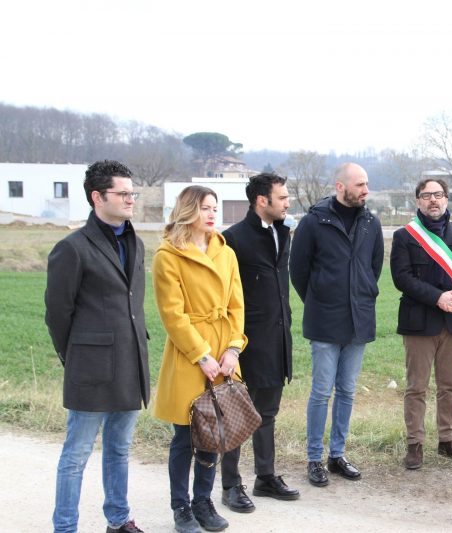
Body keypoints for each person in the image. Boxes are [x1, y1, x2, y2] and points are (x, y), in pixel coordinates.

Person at [45, 160, 149, 533]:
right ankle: (65, 527)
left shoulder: (136, 242)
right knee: (76, 455)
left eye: (132, 193)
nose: (130, 199)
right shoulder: (71, 248)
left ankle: (118, 520)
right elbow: (58, 314)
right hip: (90, 369)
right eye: (122, 193)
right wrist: (75, 356)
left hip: (131, 364)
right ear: (97, 197)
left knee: (119, 450)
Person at [152, 185, 247, 533]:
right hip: (189, 355)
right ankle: (180, 506)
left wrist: (233, 349)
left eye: (214, 208)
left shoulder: (226, 252)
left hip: (224, 355)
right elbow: (173, 315)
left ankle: (203, 502)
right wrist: (201, 355)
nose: (212, 214)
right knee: (185, 436)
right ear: (188, 210)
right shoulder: (168, 255)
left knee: (213, 434)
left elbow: (237, 305)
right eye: (205, 208)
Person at [289, 162, 384, 487]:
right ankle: (314, 458)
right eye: (360, 184)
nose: (366, 190)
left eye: (367, 184)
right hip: (325, 321)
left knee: (346, 390)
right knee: (321, 391)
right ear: (341, 187)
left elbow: (374, 267)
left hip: (359, 320)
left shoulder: (371, 223)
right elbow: (298, 270)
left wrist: (362, 294)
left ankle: (337, 455)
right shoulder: (313, 222)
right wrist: (319, 300)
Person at [220, 172, 299, 512]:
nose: (287, 203)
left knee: (267, 413)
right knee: (238, 415)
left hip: (278, 338)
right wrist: (230, 344)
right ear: (261, 201)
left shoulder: (282, 232)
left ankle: (265, 477)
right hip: (244, 343)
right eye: (282, 197)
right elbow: (224, 296)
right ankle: (230, 485)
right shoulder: (232, 239)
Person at [390, 178, 452, 470]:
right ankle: (415, 444)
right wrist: (438, 298)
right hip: (419, 323)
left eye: (438, 194)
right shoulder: (405, 236)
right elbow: (402, 278)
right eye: (427, 195)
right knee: (417, 387)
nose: (433, 200)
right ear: (418, 200)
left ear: (446, 199)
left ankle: (448, 440)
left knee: (448, 385)